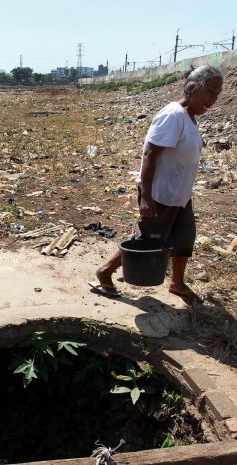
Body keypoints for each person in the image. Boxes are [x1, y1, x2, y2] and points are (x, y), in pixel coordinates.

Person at [91, 66, 224, 300]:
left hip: (180, 195)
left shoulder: (189, 117)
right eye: (211, 92)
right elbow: (150, 154)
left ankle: (177, 283)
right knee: (148, 240)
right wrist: (146, 196)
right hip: (161, 194)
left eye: (217, 94)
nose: (213, 100)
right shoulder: (173, 115)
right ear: (192, 89)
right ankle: (105, 271)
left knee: (184, 239)